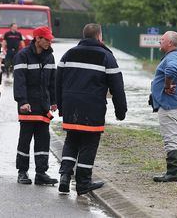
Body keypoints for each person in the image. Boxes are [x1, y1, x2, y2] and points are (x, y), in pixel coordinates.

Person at [56, 23, 127, 195]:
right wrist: (121, 111)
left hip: (71, 107)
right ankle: (83, 184)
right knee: (89, 143)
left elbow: (57, 82)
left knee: (71, 141)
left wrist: (61, 107)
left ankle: (65, 176)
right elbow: (117, 86)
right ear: (99, 37)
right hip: (92, 108)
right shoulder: (106, 57)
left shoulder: (69, 54)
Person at [13, 26, 58, 185]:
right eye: (46, 39)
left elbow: (53, 81)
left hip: (43, 106)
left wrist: (54, 100)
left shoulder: (50, 57)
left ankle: (41, 173)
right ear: (38, 39)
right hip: (28, 105)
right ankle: (22, 172)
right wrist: (22, 101)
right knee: (25, 139)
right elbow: (19, 82)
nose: (49, 42)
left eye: (50, 40)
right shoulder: (22, 56)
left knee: (43, 139)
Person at [151, 31, 177, 182]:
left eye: (162, 40)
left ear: (170, 43)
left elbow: (172, 70)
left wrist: (167, 86)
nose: (159, 42)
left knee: (171, 138)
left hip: (170, 106)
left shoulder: (173, 57)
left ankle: (173, 172)